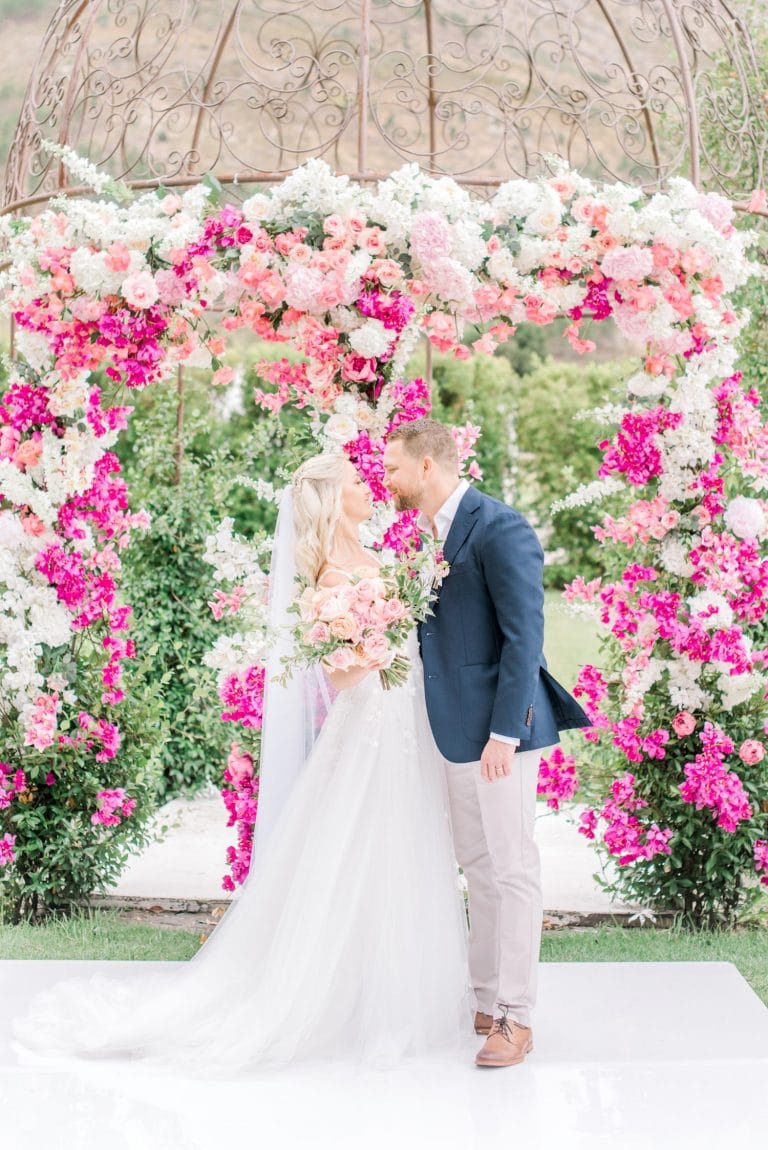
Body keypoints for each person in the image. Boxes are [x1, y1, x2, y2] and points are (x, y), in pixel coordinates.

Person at [12, 454, 472, 1075]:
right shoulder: (333, 579)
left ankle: (386, 993)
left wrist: (398, 626)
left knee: (400, 852)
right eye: (358, 484)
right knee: (353, 852)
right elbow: (339, 677)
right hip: (367, 731)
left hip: (404, 726)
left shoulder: (376, 563)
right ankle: (342, 1005)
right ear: (334, 500)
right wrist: (384, 637)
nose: (371, 489)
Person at [382, 418, 591, 1069]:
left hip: (499, 735)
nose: (385, 480)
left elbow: (525, 638)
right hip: (450, 729)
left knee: (512, 868)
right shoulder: (422, 537)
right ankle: (484, 996)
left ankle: (517, 1018)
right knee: (477, 866)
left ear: (425, 466)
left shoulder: (500, 528)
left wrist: (505, 732)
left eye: (392, 468)